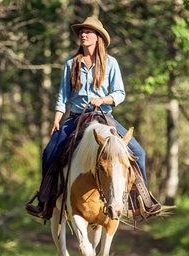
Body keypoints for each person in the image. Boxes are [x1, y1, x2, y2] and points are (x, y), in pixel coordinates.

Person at [26, 17, 161, 221]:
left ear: (98, 38)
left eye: (88, 32)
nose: (83, 34)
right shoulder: (71, 63)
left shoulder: (111, 63)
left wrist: (104, 99)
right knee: (49, 152)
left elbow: (120, 93)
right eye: (81, 32)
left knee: (138, 152)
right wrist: (57, 119)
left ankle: (140, 202)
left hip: (104, 116)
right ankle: (45, 201)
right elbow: (63, 96)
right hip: (77, 117)